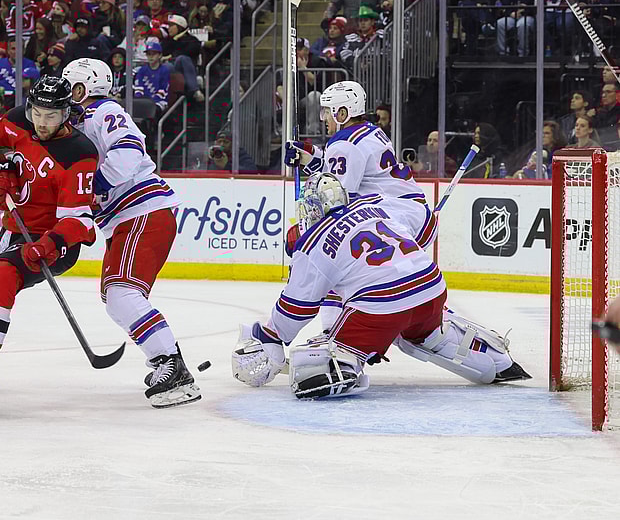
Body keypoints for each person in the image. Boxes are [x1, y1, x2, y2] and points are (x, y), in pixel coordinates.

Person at [231, 173, 532, 399]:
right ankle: (495, 359)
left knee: (311, 366)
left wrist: (271, 335)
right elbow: (427, 224)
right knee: (426, 333)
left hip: (381, 307)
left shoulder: (315, 242)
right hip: (432, 288)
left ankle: (345, 362)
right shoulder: (376, 204)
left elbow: (297, 307)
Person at [0, 76, 98, 412]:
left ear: (66, 114)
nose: (41, 122)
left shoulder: (79, 153)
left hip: (51, 243)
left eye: (51, 116)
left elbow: (80, 221)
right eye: (37, 113)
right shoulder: (17, 121)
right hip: (13, 231)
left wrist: (49, 243)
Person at [62, 58, 200, 408]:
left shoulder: (103, 111)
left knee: (122, 294)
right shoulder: (76, 124)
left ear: (85, 88)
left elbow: (128, 151)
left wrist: (93, 187)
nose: (66, 92)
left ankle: (174, 366)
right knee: (115, 299)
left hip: (142, 211)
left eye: (71, 85)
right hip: (127, 219)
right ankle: (162, 359)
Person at [284, 81, 437, 331]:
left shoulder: (344, 144)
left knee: (333, 253)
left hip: (395, 218)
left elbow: (336, 204)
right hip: (412, 215)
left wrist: (305, 234)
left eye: (327, 111)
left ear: (342, 113)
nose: (323, 118)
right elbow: (349, 169)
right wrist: (310, 157)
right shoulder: (369, 131)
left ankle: (331, 330)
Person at [162, 14, 203, 102]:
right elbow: (163, 52)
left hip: (186, 68)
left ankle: (195, 90)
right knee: (167, 66)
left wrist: (172, 55)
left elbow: (190, 51)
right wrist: (174, 40)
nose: (169, 28)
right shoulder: (168, 40)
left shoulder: (192, 40)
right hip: (173, 69)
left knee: (182, 58)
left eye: (171, 26)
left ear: (180, 27)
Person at [0, 37, 37, 101]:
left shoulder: (30, 64)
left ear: (24, 51)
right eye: (13, 49)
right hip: (2, 99)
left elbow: (33, 85)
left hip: (22, 99)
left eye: (19, 48)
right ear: (8, 51)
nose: (16, 52)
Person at [134, 37, 171, 114]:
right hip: (143, 101)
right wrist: (140, 100)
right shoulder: (141, 70)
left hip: (160, 101)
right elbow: (138, 88)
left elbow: (163, 90)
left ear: (160, 55)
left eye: (154, 54)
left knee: (153, 110)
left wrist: (151, 101)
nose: (151, 56)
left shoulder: (164, 70)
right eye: (149, 54)